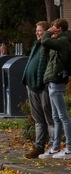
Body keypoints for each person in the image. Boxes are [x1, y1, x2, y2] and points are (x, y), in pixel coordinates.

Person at [40, 18, 71, 159]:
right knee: (56, 117)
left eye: (53, 28)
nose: (51, 30)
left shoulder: (63, 41)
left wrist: (47, 33)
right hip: (52, 81)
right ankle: (55, 147)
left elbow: (45, 40)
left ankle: (69, 149)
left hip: (57, 81)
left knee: (63, 116)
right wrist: (48, 39)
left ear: (59, 29)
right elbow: (44, 52)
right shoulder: (58, 43)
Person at [22, 21, 54, 159]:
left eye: (40, 30)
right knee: (38, 118)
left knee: (50, 117)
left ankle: (54, 145)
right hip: (32, 85)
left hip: (43, 86)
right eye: (37, 30)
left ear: (46, 32)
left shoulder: (48, 45)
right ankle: (39, 146)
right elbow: (30, 62)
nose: (37, 32)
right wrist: (25, 79)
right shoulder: (36, 45)